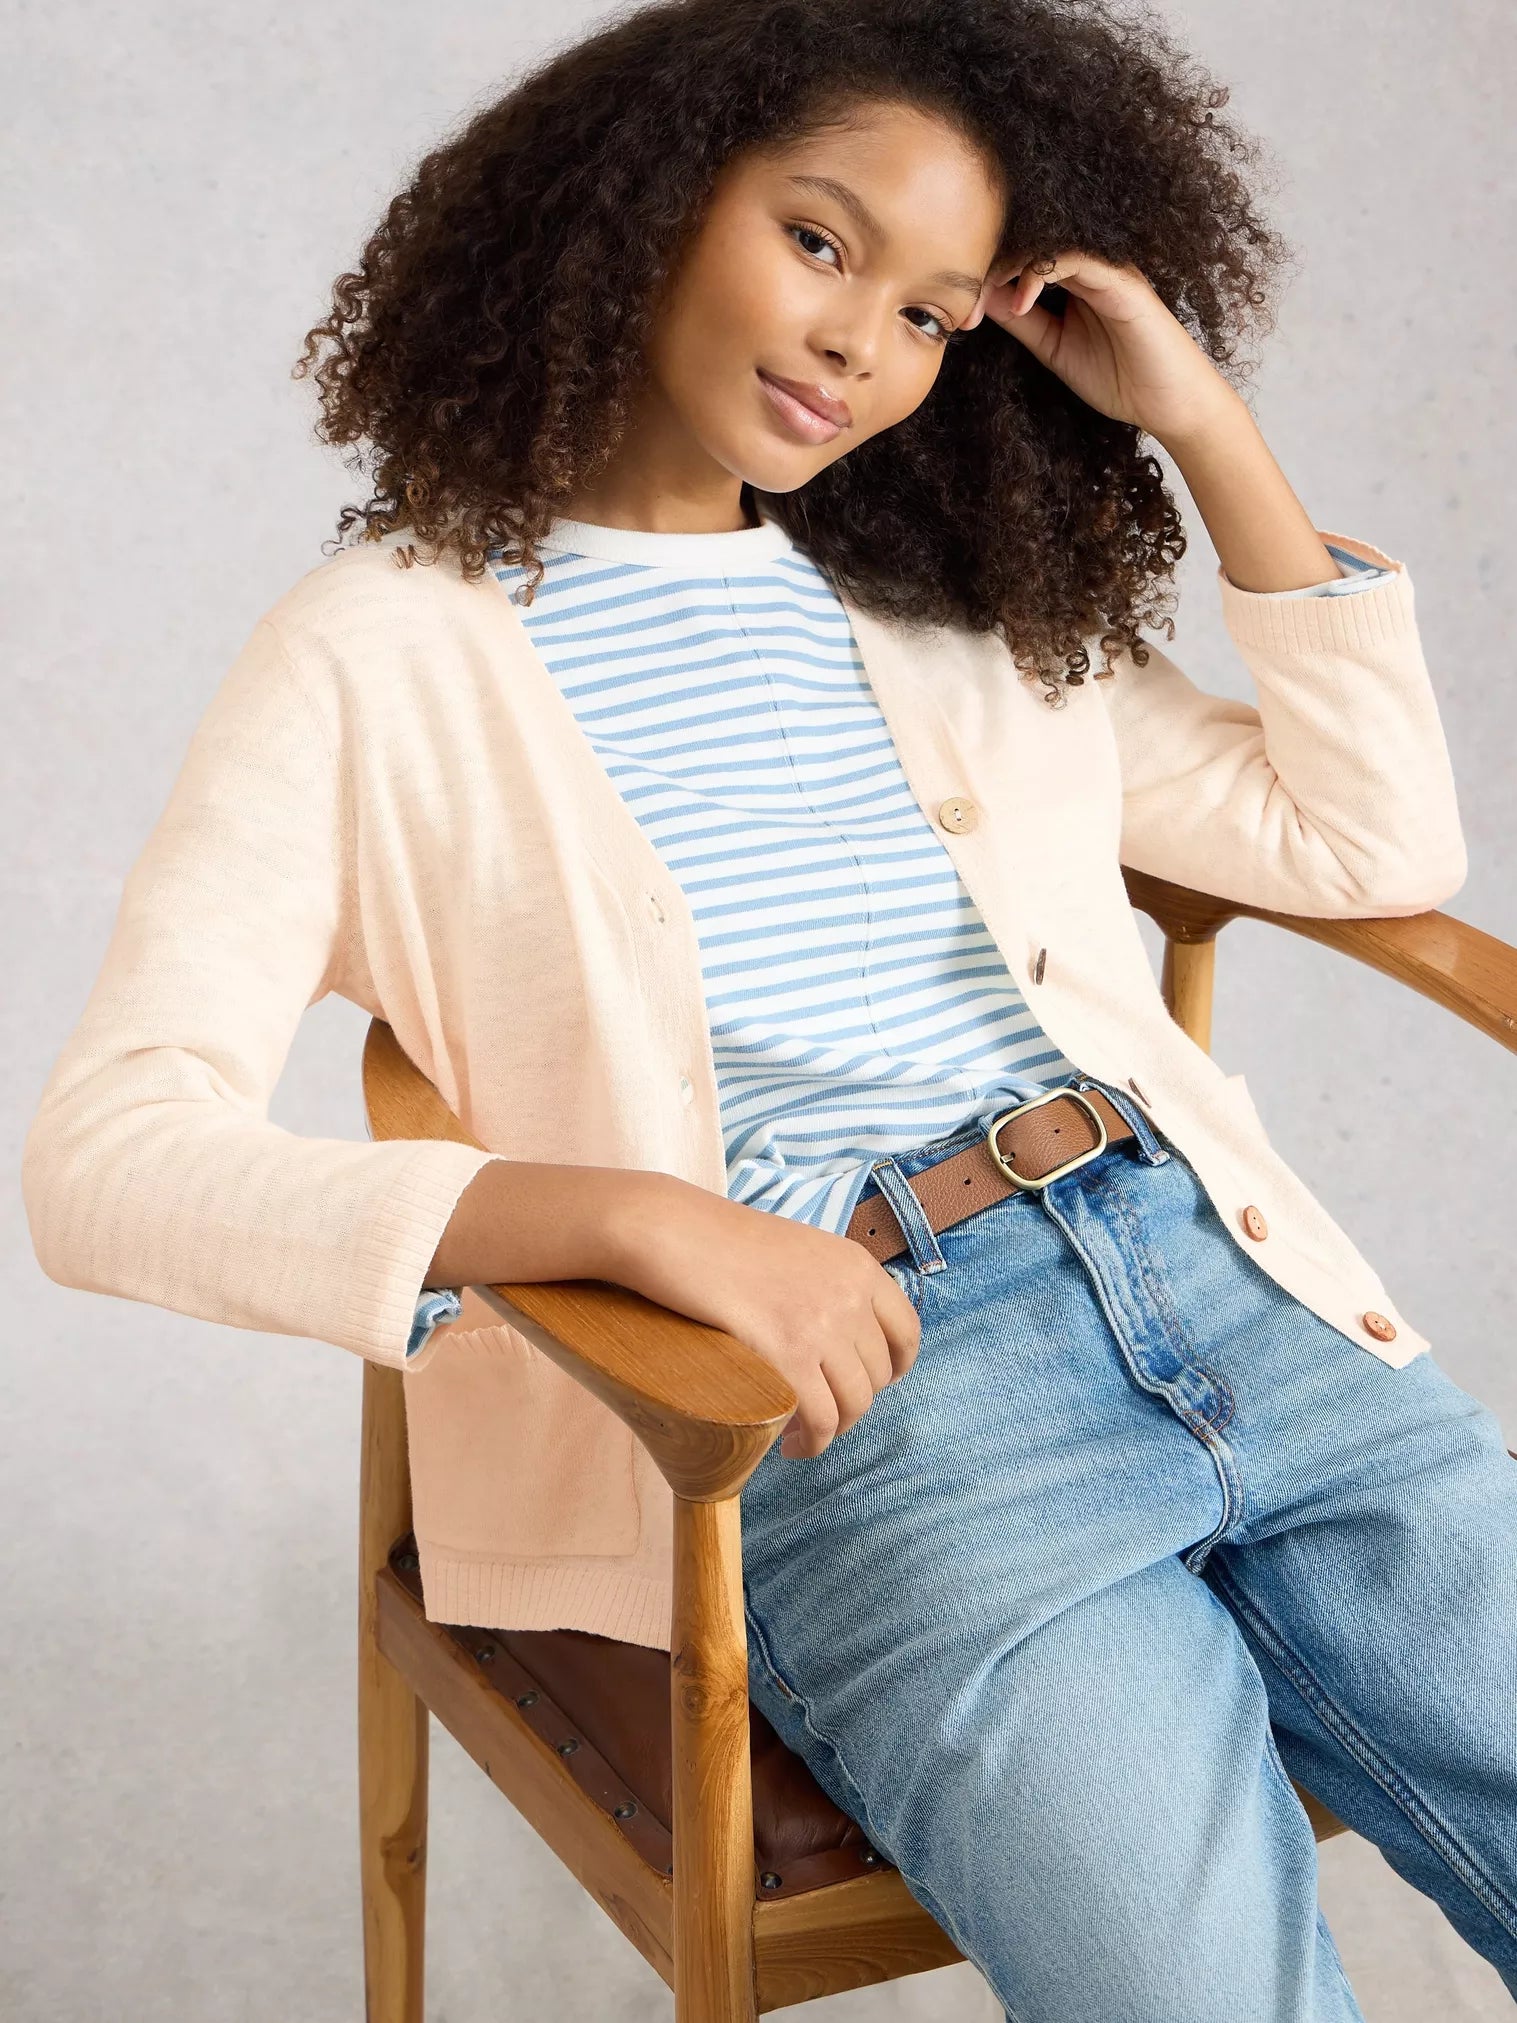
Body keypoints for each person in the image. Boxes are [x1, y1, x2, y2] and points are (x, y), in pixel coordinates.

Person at [21, 0, 1515, 2015]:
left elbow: (1370, 841)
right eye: (818, 242)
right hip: (880, 1396)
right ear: (647, 195)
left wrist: (1200, 423)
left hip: (1238, 1288)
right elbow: (109, 1159)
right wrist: (639, 1219)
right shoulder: (381, 654)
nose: (854, 346)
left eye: (928, 313)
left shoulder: (947, 604)